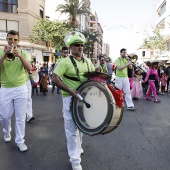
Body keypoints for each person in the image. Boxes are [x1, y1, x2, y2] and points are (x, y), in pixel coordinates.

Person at [52, 32, 95, 170]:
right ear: (71, 47)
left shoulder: (88, 61)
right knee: (71, 129)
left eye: (81, 45)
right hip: (70, 97)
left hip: (85, 97)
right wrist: (69, 90)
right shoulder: (64, 62)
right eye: (77, 45)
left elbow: (93, 76)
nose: (80, 47)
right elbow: (55, 79)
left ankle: (78, 148)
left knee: (81, 126)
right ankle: (75, 159)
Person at [0, 30, 32, 152]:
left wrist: (20, 56)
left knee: (20, 117)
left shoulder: (22, 52)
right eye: (10, 39)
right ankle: (7, 131)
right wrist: (4, 55)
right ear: (7, 39)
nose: (12, 41)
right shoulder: (1, 51)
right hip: (5, 88)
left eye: (15, 40)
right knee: (5, 116)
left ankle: (20, 140)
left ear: (18, 41)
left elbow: (29, 68)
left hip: (21, 88)